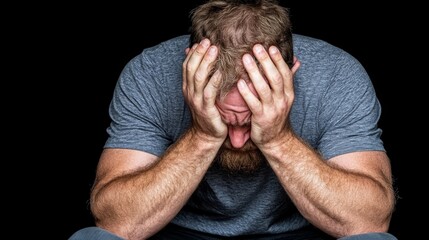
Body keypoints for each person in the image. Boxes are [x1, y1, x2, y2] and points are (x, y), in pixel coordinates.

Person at [69, 0, 397, 239]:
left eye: (250, 121)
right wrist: (202, 136)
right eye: (226, 121)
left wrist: (277, 139)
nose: (238, 141)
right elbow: (114, 222)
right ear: (190, 75)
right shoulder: (148, 75)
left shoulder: (338, 76)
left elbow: (371, 221)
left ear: (290, 74)